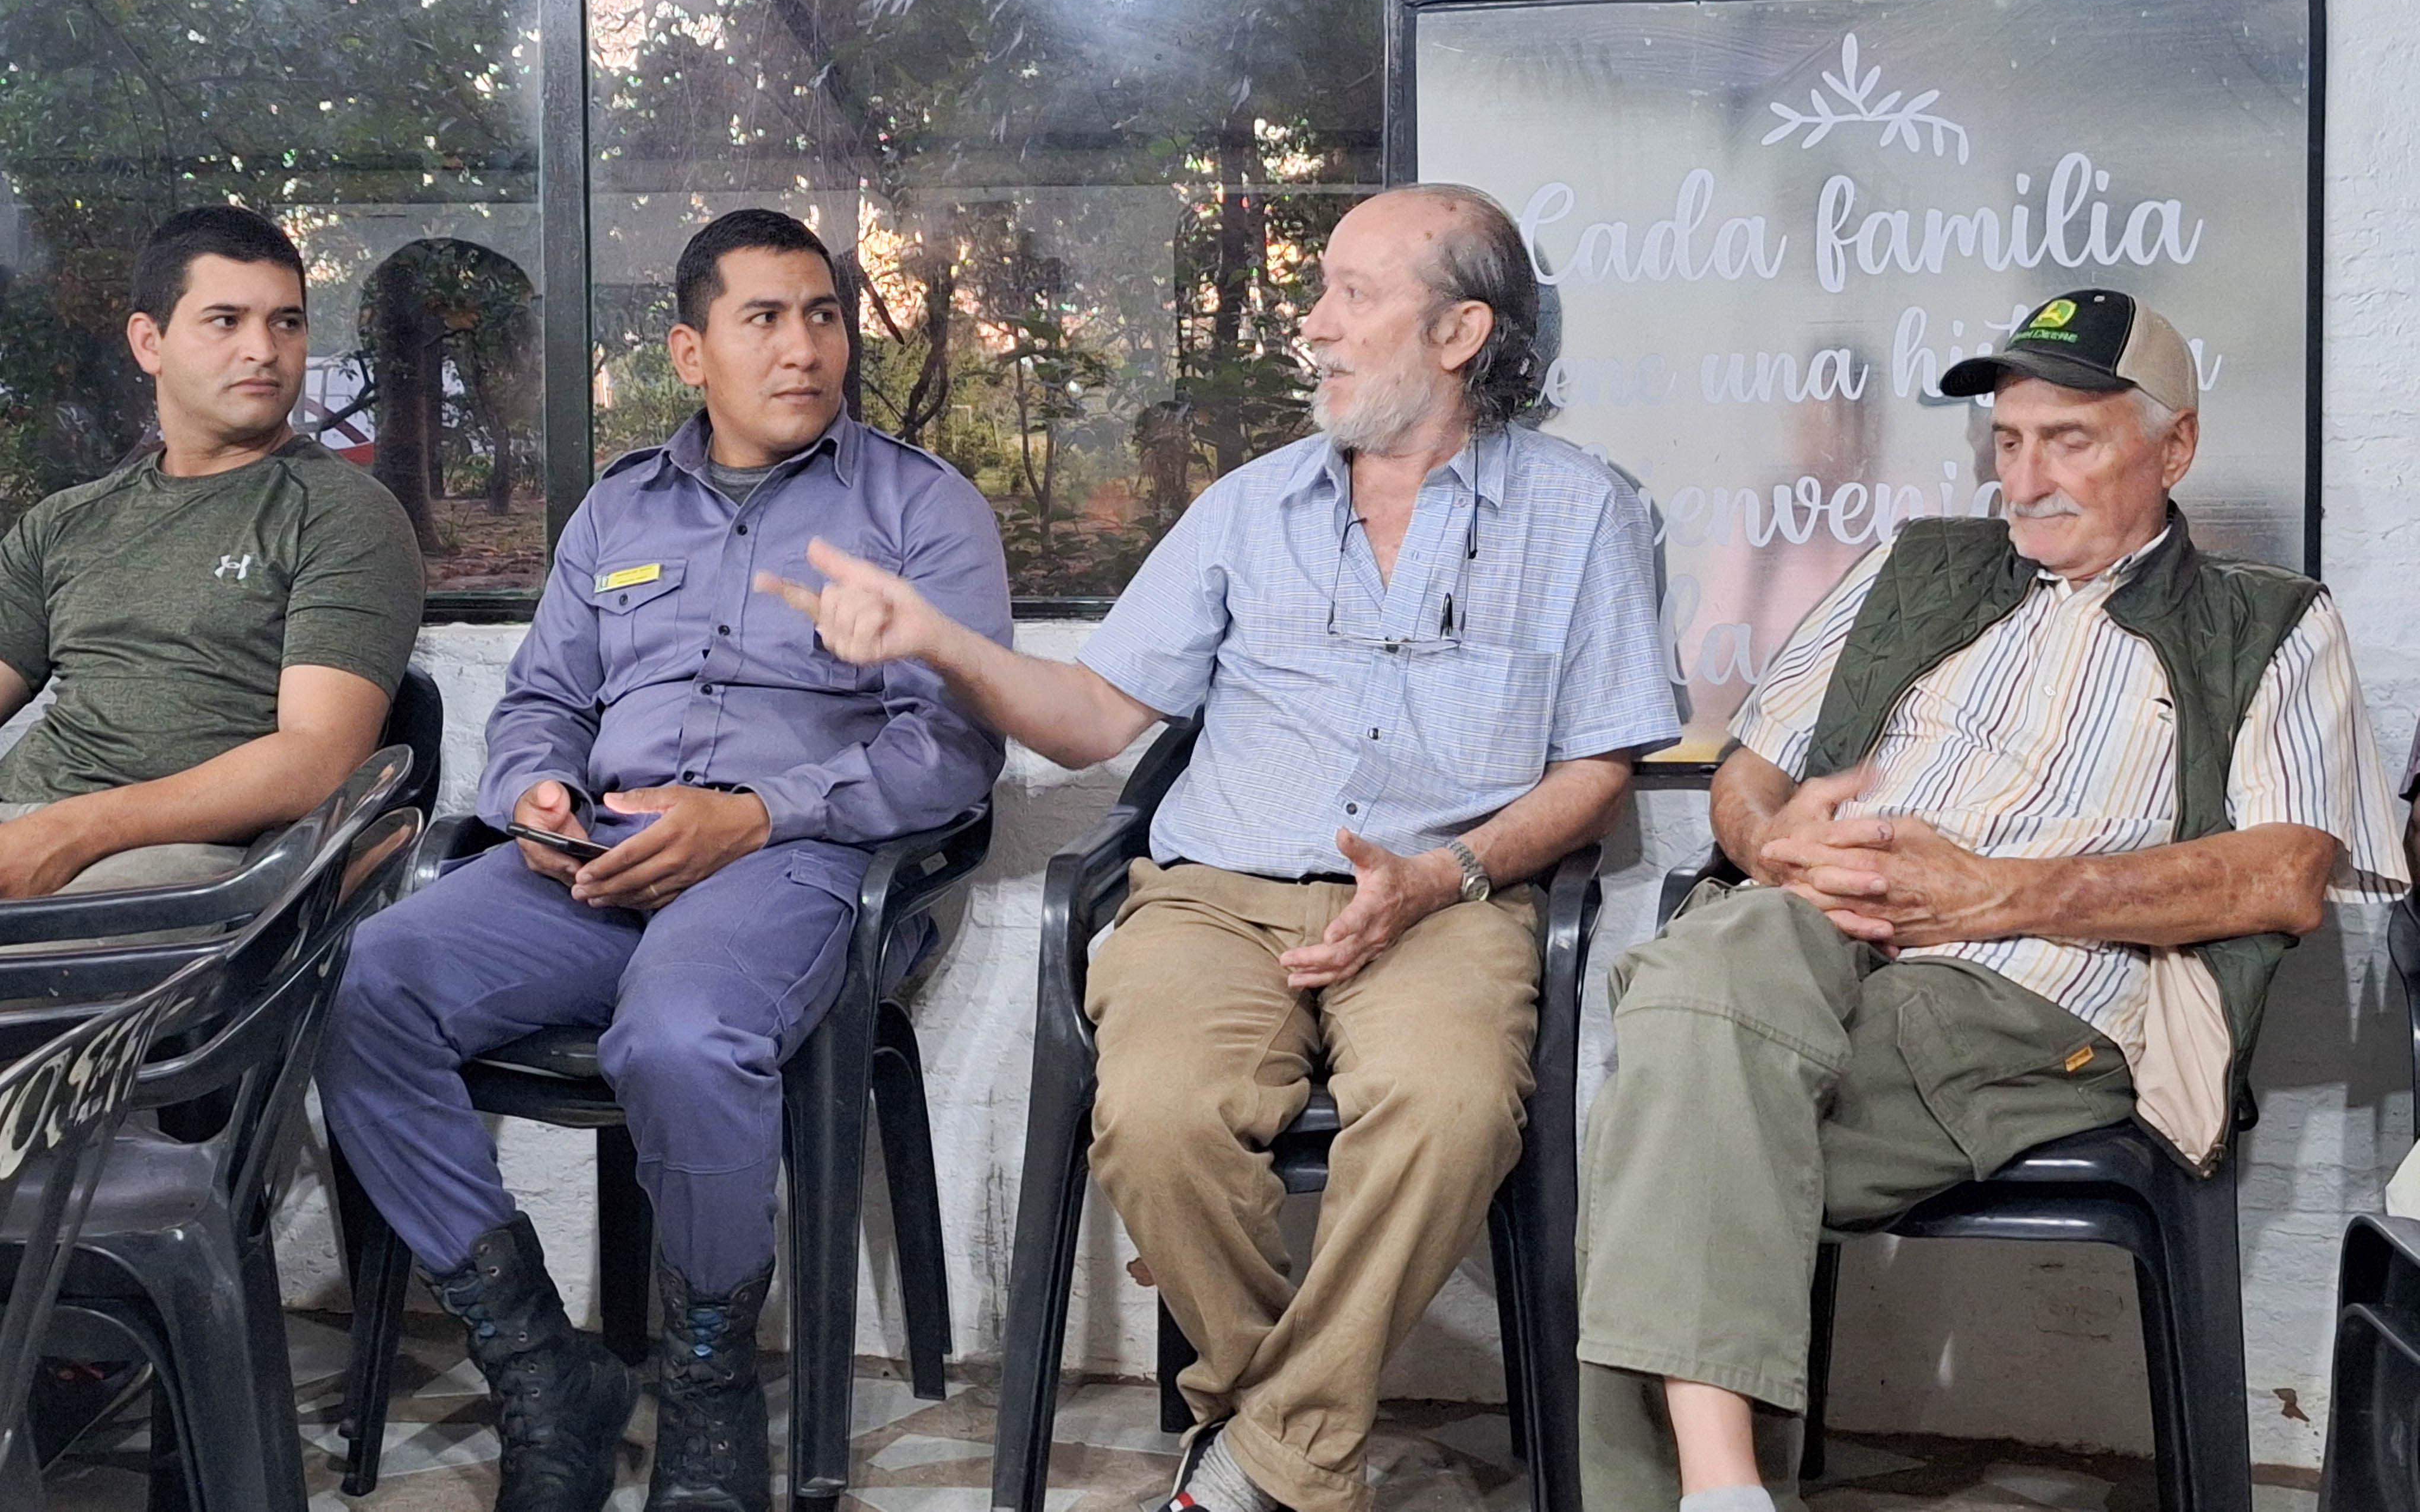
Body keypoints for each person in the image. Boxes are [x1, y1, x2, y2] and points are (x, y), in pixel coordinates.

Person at [761, 184, 1679, 1512]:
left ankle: (1256, 1460)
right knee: (1157, 1118)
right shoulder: (1249, 509)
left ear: (1461, 330)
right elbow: (1086, 724)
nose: (1314, 326)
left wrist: (1445, 872)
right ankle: (1295, 1450)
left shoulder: (1583, 513)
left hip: (1443, 902)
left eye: (1353, 295)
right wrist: (935, 640)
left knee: (1453, 1108)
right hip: (1215, 900)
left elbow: (1600, 766)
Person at [1575, 290, 2408, 1512]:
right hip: (1816, 931)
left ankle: (1706, 1490)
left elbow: (2280, 876)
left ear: (2173, 448)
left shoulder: (2266, 621)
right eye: (2008, 443)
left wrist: (1989, 893)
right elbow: (1749, 775)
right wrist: (1772, 841)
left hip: (2033, 988)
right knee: (1720, 980)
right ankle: (1725, 1488)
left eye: (2068, 440)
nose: (2025, 478)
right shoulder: (1917, 571)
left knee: (1666, 1090)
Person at [317, 209, 1011, 1512]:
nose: (805, 348)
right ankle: (540, 1367)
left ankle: (705, 1392)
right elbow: (544, 700)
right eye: (764, 319)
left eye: (823, 315)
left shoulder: (917, 505)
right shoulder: (616, 508)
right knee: (369, 984)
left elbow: (955, 748)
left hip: (791, 861)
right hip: (601, 861)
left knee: (678, 1039)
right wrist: (536, 785)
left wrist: (754, 815)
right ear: (692, 351)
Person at [0, 205, 422, 899]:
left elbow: (318, 760)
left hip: (187, 861)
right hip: (27, 822)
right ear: (149, 342)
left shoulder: (341, 515)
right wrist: (42, 830)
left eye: (286, 322)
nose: (263, 349)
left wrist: (69, 831)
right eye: (226, 321)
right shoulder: (68, 522)